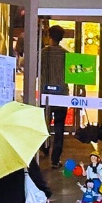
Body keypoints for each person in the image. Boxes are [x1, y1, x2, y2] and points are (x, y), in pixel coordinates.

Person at [40, 25, 68, 168]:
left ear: (49, 36)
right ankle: (55, 159)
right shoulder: (66, 54)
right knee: (59, 127)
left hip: (45, 95)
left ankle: (44, 148)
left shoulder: (43, 54)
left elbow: (35, 72)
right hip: (62, 96)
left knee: (43, 124)